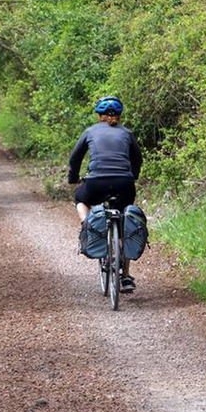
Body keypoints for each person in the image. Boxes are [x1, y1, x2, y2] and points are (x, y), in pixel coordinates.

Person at [68, 96, 142, 292]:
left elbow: (75, 158)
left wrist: (73, 177)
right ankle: (125, 277)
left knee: (80, 199)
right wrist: (132, 176)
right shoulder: (127, 133)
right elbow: (138, 159)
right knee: (125, 222)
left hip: (96, 182)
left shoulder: (90, 131)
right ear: (119, 115)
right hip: (124, 183)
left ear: (98, 115)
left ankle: (88, 225)